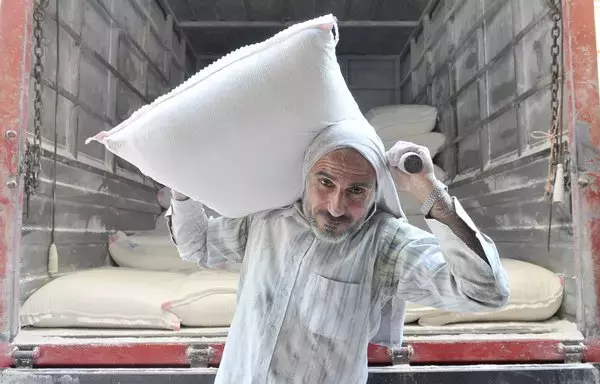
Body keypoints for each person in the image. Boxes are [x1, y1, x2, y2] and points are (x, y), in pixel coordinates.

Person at [165, 120, 509, 384]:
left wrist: (431, 193)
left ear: (376, 192)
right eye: (325, 182)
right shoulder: (266, 222)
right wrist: (182, 189)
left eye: (356, 190)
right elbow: (197, 245)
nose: (336, 206)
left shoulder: (384, 244)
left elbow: (485, 293)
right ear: (306, 176)